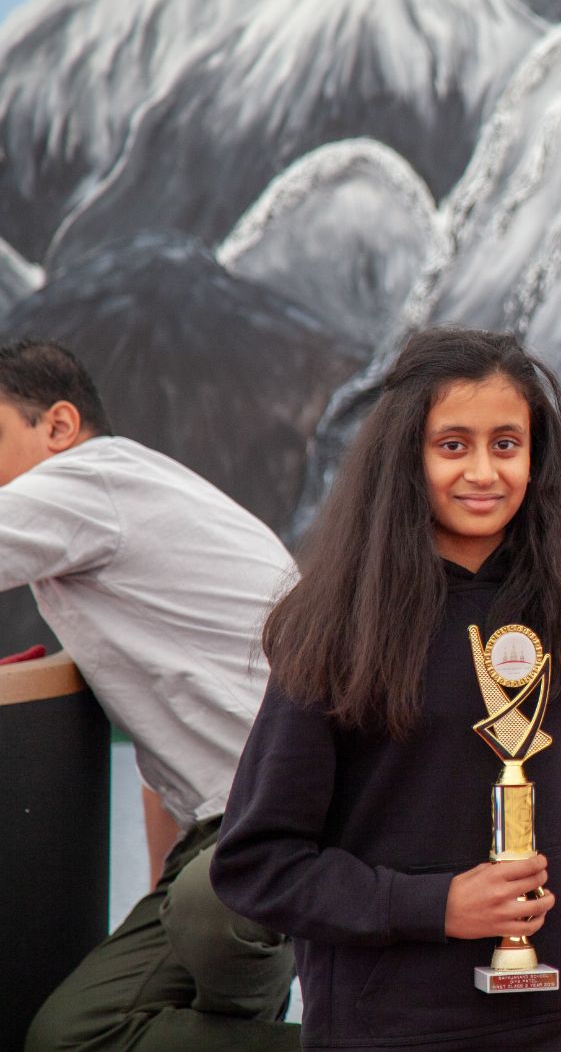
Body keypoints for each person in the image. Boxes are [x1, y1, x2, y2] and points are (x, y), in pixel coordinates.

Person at [210, 327, 561, 1051]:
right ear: (406, 457)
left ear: (537, 457)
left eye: (507, 444)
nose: (483, 471)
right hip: (388, 1023)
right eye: (452, 444)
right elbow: (258, 862)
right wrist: (437, 904)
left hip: (556, 1016)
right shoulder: (337, 627)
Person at [0, 339, 300, 1050]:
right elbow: (168, 751)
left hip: (272, 822)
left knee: (206, 922)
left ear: (60, 427)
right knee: (69, 1035)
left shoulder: (87, 481)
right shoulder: (136, 502)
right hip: (231, 826)